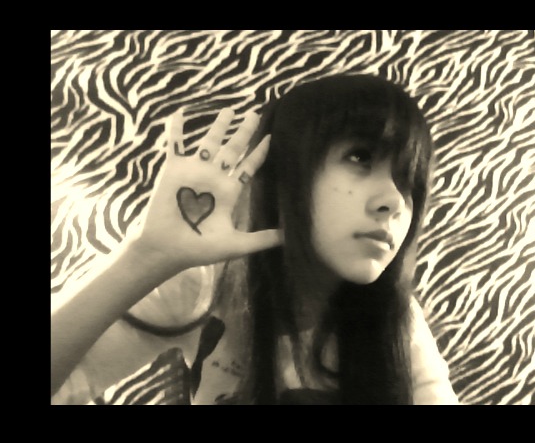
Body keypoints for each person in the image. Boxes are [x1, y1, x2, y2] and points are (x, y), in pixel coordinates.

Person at [51, 74, 460, 405]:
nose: (394, 200)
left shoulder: (395, 321)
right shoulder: (204, 283)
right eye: (360, 158)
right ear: (284, 174)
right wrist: (145, 257)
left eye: (408, 181)